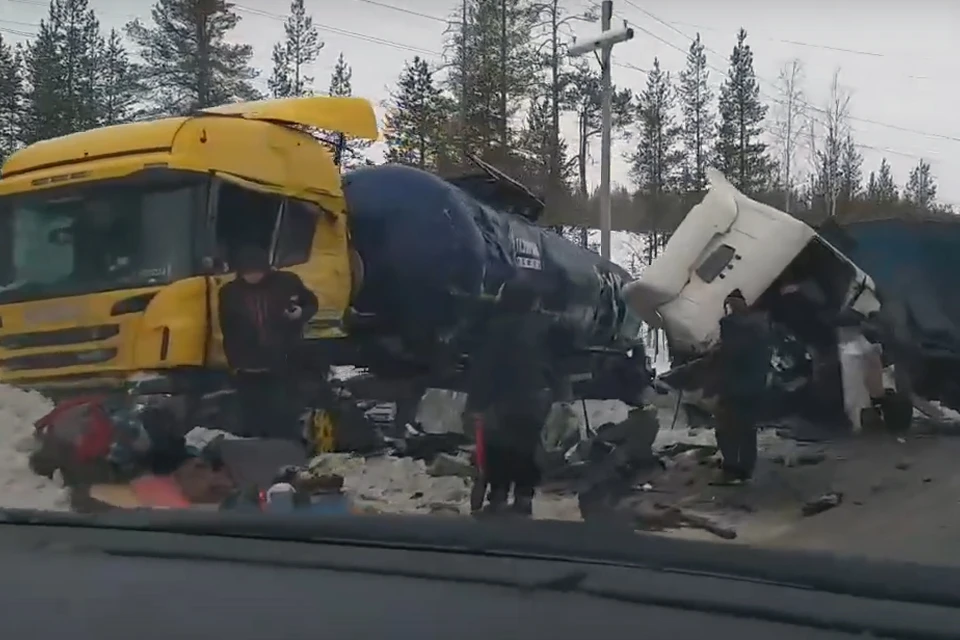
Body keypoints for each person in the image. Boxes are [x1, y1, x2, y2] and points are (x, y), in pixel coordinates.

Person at [465, 275, 560, 516]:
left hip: (504, 401)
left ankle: (498, 496)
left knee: (498, 448)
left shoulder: (497, 328)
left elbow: (484, 369)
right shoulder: (547, 327)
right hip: (537, 399)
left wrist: (476, 403)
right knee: (527, 447)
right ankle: (524, 497)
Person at [218, 244, 319, 441]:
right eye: (248, 273)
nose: (253, 277)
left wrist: (300, 314)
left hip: (284, 358)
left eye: (257, 272)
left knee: (284, 412)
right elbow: (227, 328)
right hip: (248, 364)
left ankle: (289, 449)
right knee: (253, 415)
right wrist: (234, 362)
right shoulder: (229, 292)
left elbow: (311, 303)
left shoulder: (287, 282)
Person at [713, 289, 772, 485]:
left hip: (735, 385)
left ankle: (732, 468)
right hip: (755, 385)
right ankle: (745, 469)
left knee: (726, 428)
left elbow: (729, 355)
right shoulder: (761, 325)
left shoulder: (730, 325)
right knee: (747, 429)